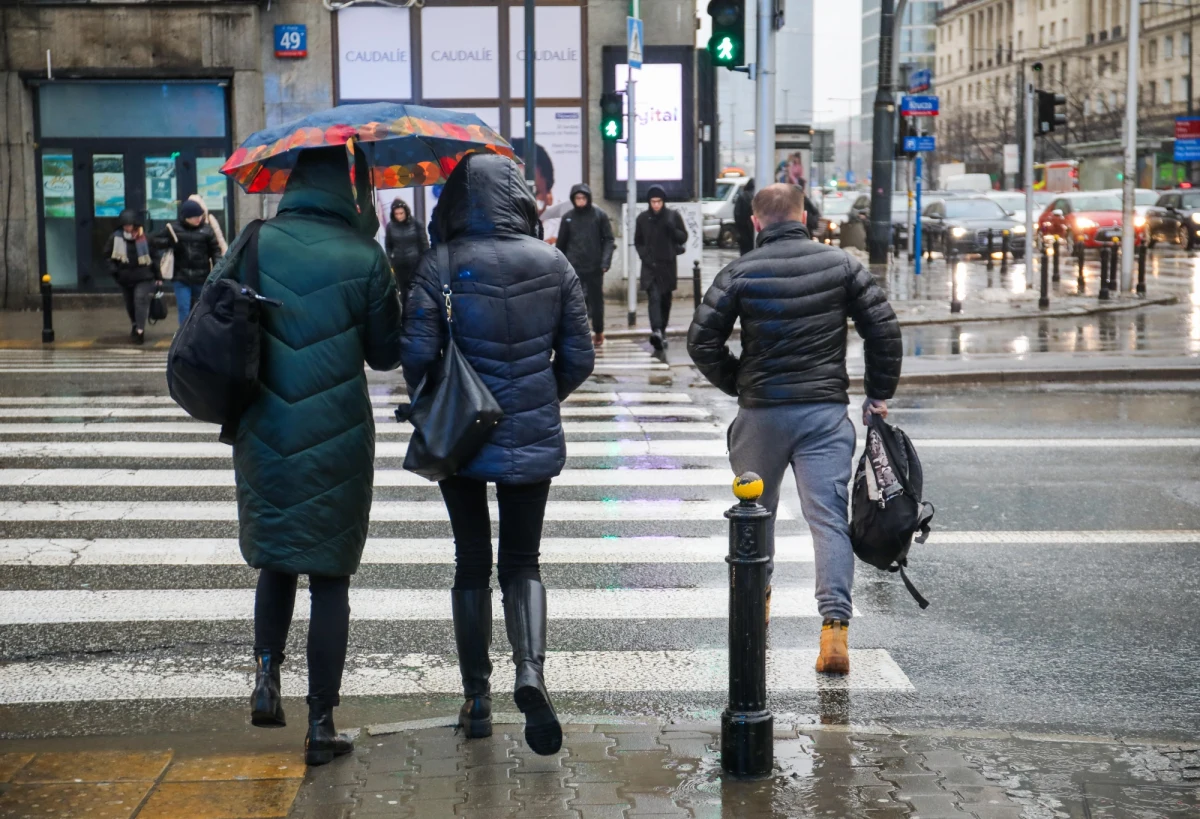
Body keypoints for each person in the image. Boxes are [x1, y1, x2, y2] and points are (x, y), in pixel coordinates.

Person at [400, 152, 594, 756]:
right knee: (523, 561)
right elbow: (580, 357)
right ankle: (530, 672)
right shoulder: (553, 261)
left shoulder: (442, 261)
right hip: (531, 431)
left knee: (469, 562)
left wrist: (437, 400)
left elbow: (415, 352)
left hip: (461, 436)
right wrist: (540, 396)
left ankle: (476, 698)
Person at [231, 145, 403, 766]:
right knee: (330, 579)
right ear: (353, 194)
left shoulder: (255, 242)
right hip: (337, 434)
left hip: (264, 426)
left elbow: (216, 313)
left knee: (276, 560)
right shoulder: (364, 256)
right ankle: (321, 723)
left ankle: (265, 677)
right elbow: (386, 354)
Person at [686, 183, 902, 676]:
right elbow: (883, 329)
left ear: (756, 222)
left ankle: (754, 613)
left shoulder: (740, 271)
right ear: (805, 215)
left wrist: (737, 381)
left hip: (761, 415)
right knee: (827, 519)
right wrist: (877, 392)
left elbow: (701, 341)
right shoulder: (842, 266)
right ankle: (834, 633)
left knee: (753, 516)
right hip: (823, 413)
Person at [555, 183, 614, 346]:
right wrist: (559, 265)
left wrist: (605, 262)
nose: (580, 201)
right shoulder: (568, 217)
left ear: (588, 198)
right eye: (577, 198)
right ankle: (576, 333)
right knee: (574, 302)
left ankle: (599, 332)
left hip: (594, 266)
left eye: (583, 198)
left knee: (596, 302)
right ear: (573, 199)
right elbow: (561, 244)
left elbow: (609, 239)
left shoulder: (599, 215)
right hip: (574, 266)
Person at [634, 185, 688, 351]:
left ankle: (662, 331)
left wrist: (672, 229)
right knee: (654, 298)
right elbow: (638, 241)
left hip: (667, 265)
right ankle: (656, 330)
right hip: (650, 267)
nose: (656, 205)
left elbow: (683, 236)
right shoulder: (642, 218)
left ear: (663, 202)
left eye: (659, 201)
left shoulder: (672, 216)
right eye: (653, 202)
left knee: (665, 300)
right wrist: (645, 256)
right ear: (649, 202)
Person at [155, 199, 222, 326]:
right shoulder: (174, 229)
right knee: (184, 309)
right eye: (194, 217)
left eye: (200, 216)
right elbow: (155, 242)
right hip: (181, 276)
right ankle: (184, 338)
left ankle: (199, 334)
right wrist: (171, 243)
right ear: (186, 217)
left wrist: (217, 270)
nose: (198, 219)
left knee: (201, 308)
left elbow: (215, 251)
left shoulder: (207, 230)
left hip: (201, 276)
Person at [103, 209, 162, 345]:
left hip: (144, 276)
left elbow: (154, 257)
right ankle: (135, 324)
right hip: (125, 277)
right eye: (125, 225)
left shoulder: (145, 238)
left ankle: (140, 331)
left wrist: (158, 276)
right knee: (130, 305)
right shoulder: (115, 238)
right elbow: (107, 256)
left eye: (129, 225)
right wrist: (114, 270)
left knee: (140, 300)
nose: (127, 228)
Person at [383, 198, 429, 311]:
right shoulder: (390, 226)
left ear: (406, 212)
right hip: (399, 265)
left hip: (415, 264)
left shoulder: (417, 224)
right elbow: (388, 246)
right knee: (403, 292)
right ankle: (406, 314)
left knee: (417, 290)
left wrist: (425, 262)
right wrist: (390, 261)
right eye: (396, 213)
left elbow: (424, 244)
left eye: (401, 213)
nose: (399, 216)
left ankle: (419, 312)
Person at [733, 179, 756, 255]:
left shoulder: (742, 196)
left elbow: (737, 214)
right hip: (754, 229)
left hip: (744, 231)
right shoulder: (757, 196)